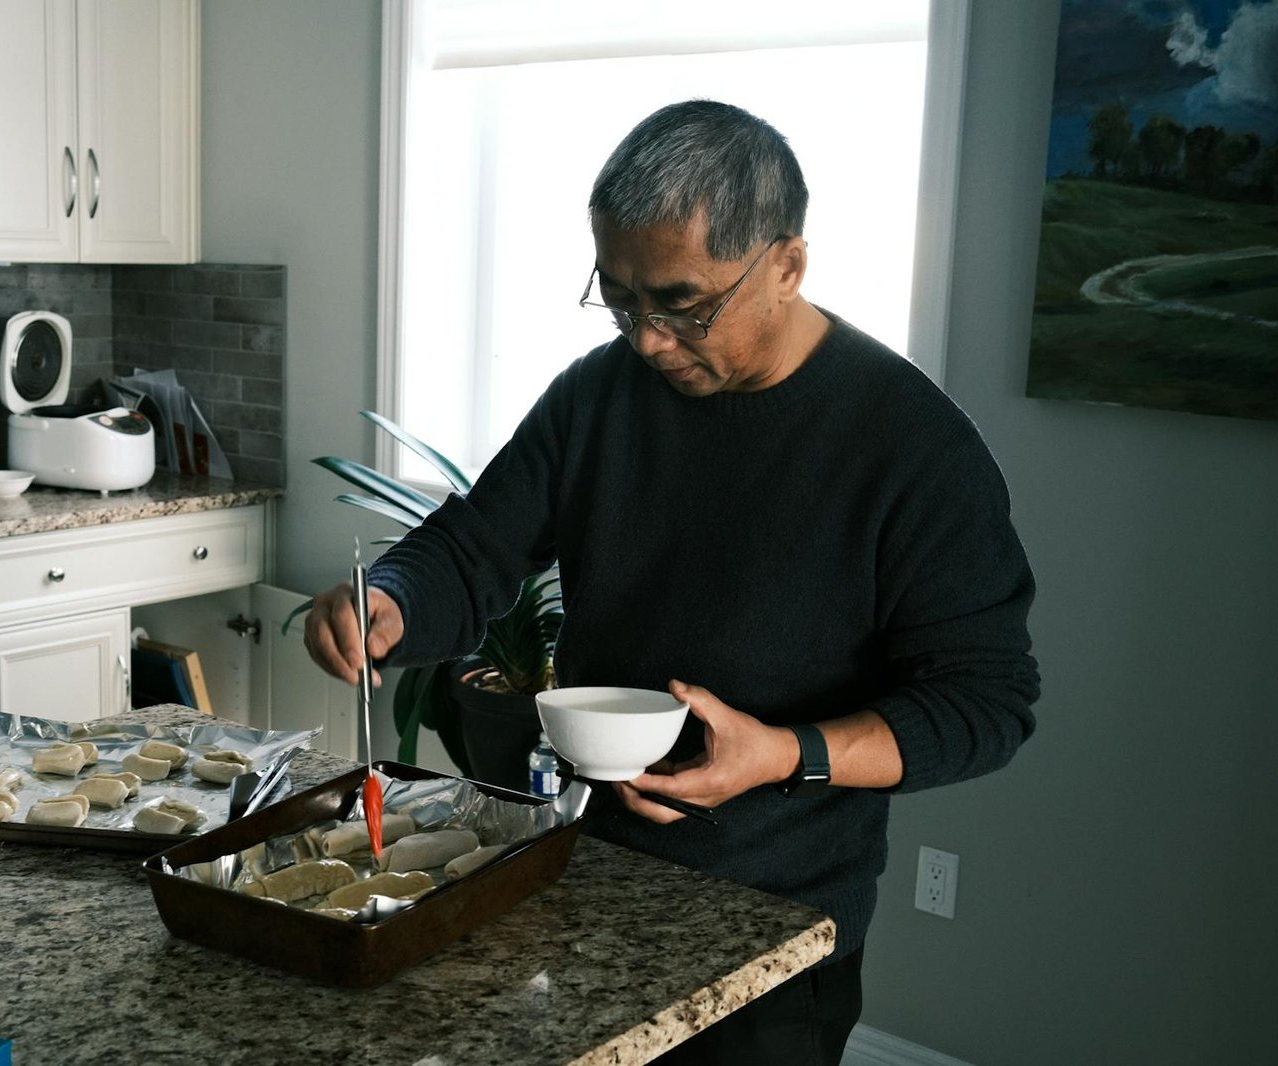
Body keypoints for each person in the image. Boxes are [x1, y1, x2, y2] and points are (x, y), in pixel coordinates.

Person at [304, 100, 1039, 1066]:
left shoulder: (915, 449)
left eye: (683, 306)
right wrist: (391, 598)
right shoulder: (597, 397)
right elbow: (473, 548)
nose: (647, 340)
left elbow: (985, 703)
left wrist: (785, 752)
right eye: (619, 300)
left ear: (786, 265)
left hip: (773, 927)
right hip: (582, 875)